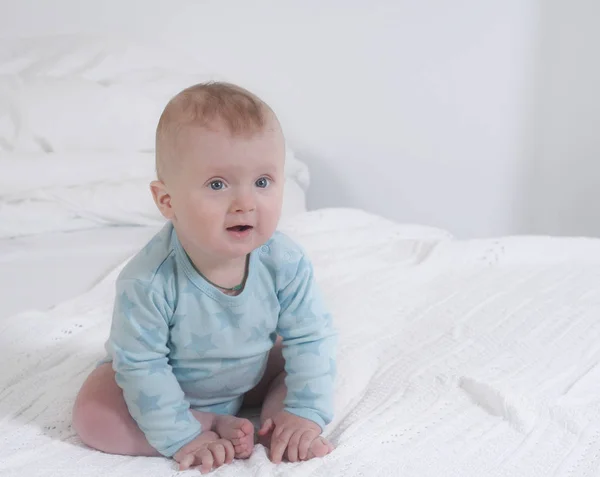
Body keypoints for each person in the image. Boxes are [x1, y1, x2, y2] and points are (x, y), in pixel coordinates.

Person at [72, 81, 337, 474]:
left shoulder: (285, 261)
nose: (245, 202)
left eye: (262, 182)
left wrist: (305, 409)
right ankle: (207, 423)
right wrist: (181, 435)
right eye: (217, 184)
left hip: (249, 371)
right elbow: (142, 366)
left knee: (293, 354)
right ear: (167, 201)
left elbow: (311, 336)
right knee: (94, 411)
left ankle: (281, 422)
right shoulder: (147, 281)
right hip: (168, 381)